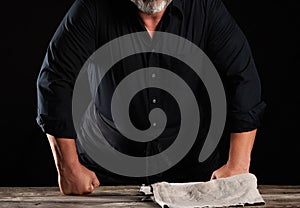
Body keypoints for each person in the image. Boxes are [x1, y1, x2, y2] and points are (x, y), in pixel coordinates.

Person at [36, 0, 266, 195]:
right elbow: (56, 79)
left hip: (193, 174)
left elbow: (242, 78)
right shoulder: (93, 7)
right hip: (105, 175)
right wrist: (68, 166)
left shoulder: (205, 7)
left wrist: (238, 163)